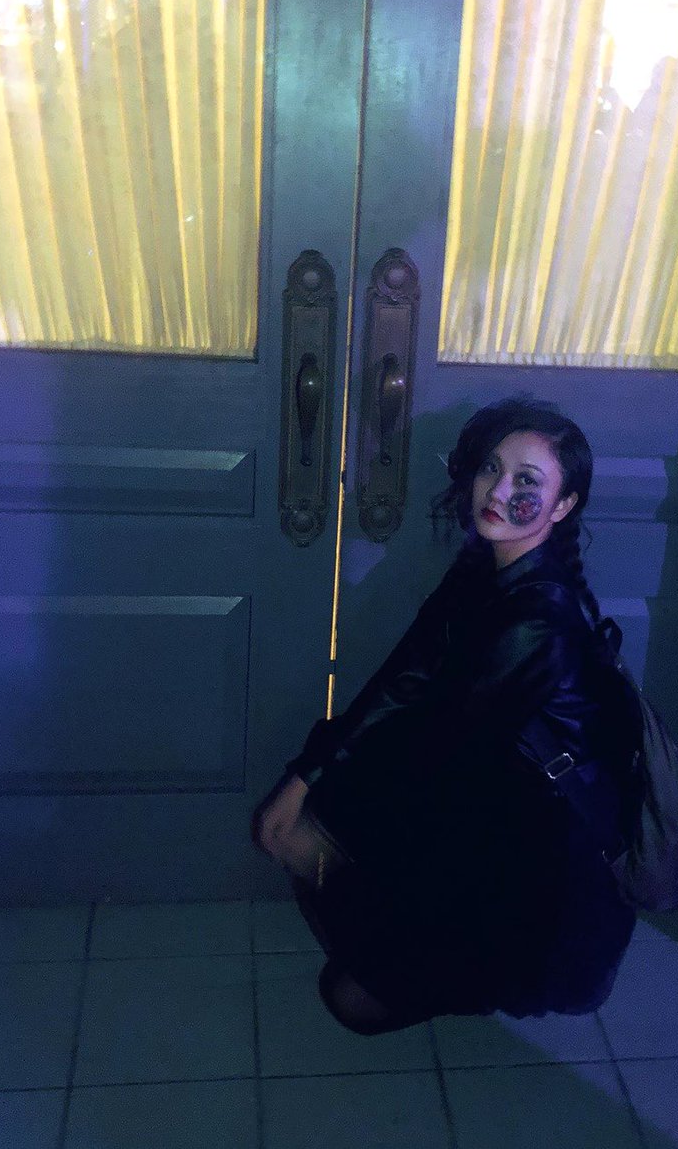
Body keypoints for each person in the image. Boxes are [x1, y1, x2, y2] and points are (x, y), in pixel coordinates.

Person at [251, 396, 639, 1034]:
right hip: (483, 808)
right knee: (315, 837)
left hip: (541, 857)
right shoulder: (485, 570)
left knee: (350, 999)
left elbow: (442, 755)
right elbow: (404, 679)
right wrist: (305, 777)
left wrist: (331, 826)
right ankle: (412, 938)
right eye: (491, 468)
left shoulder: (539, 619)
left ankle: (477, 968)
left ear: (563, 505)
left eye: (526, 482)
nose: (498, 491)